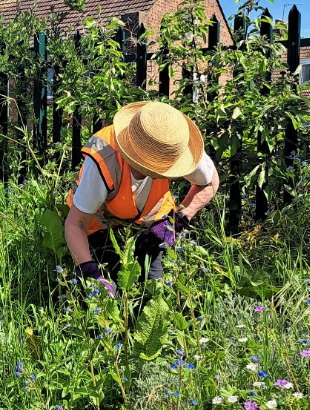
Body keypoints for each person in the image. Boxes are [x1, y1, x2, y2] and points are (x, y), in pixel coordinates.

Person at [64, 101, 219, 294]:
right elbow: (75, 224)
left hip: (152, 225)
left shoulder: (176, 147)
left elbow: (210, 181)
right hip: (101, 223)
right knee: (106, 295)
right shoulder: (104, 158)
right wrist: (88, 271)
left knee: (153, 291)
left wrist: (180, 219)